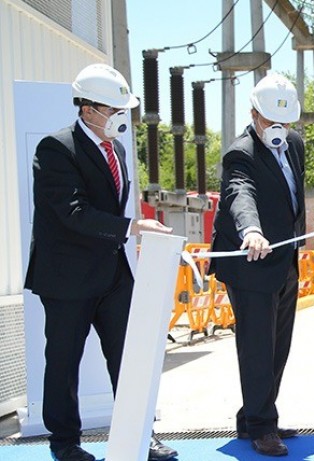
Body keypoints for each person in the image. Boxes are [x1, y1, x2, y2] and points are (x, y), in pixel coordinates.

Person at [25, 63, 177, 461]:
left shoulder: (119, 150)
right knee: (63, 362)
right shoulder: (56, 149)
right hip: (67, 278)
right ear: (88, 109)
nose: (119, 118)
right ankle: (65, 443)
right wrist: (131, 227)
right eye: (113, 110)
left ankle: (141, 435)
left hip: (113, 275)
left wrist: (129, 233)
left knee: (129, 361)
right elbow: (73, 212)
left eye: (122, 110)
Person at [209, 74, 305, 457]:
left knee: (278, 346)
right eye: (270, 122)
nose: (278, 130)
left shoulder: (294, 144)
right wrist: (251, 229)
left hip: (285, 262)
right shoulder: (241, 152)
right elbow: (240, 192)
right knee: (257, 347)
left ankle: (256, 415)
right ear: (253, 114)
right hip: (250, 264)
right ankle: (262, 428)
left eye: (285, 123)